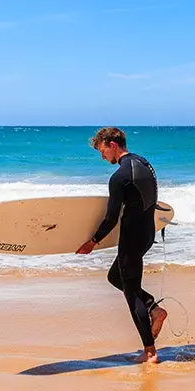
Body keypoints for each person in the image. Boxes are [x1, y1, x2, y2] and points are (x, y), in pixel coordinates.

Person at [76, 127, 168, 364]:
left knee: (131, 293)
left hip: (131, 239)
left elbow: (111, 218)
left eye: (102, 150)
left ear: (112, 145)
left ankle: (150, 352)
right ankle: (154, 310)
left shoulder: (119, 178)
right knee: (115, 277)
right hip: (147, 233)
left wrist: (92, 242)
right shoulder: (144, 164)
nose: (102, 156)